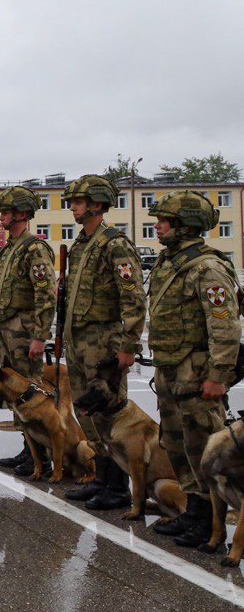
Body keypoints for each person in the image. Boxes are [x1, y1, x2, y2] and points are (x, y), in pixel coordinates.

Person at [146, 190, 240, 546]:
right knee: (175, 444)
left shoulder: (208, 267)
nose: (158, 226)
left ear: (185, 225)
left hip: (196, 371)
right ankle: (193, 512)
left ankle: (212, 524)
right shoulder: (169, 263)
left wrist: (218, 376)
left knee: (204, 449)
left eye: (164, 221)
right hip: (169, 367)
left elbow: (225, 326)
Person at [60, 175, 146, 511]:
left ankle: (119, 487)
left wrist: (128, 344)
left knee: (109, 411)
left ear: (96, 204)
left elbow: (134, 298)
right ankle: (102, 478)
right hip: (78, 338)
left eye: (78, 202)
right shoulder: (82, 243)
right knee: (87, 411)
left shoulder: (115, 243)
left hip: (103, 339)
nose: (72, 207)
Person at [0, 187, 58, 476]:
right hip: (8, 329)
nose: (1, 216)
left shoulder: (34, 248)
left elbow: (46, 294)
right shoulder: (10, 249)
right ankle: (29, 449)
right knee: (17, 395)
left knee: (31, 393)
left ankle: (41, 456)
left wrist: (41, 335)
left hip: (25, 329)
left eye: (6, 211)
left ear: (20, 214)